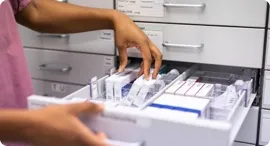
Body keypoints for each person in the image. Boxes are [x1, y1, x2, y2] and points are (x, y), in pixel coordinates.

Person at [0, 0, 163, 145]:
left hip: (15, 115)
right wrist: (28, 126)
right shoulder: (29, 127)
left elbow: (31, 8)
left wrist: (114, 17)